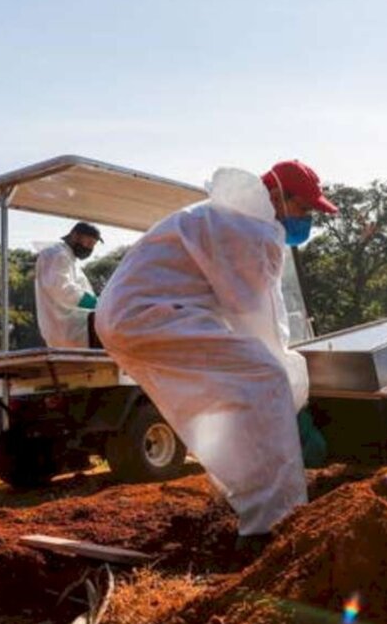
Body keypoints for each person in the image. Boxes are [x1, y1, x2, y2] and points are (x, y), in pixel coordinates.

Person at [96, 160, 337, 544]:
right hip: (151, 317)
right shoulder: (249, 229)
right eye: (304, 209)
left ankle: (244, 495)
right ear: (276, 196)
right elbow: (263, 324)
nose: (307, 219)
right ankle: (273, 524)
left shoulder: (224, 217)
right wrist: (295, 402)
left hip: (129, 318)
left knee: (224, 395)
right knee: (266, 378)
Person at [35, 221, 103, 349]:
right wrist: (96, 303)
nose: (90, 249)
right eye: (88, 243)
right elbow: (62, 290)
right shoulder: (57, 254)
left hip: (71, 330)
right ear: (75, 236)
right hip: (69, 328)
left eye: (93, 245)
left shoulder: (68, 257)